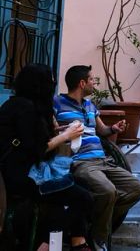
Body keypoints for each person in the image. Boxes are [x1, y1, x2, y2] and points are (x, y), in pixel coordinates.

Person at [0, 64, 94, 251]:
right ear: (40, 85)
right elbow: (39, 149)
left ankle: (70, 242)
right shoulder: (26, 108)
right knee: (83, 197)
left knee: (80, 187)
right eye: (50, 81)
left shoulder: (19, 104)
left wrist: (56, 129)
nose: (53, 85)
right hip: (21, 176)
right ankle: (52, 244)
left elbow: (34, 137)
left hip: (23, 170)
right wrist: (67, 136)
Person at [54, 65, 140, 251]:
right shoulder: (56, 103)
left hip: (104, 161)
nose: (94, 83)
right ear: (82, 83)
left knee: (137, 188)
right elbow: (51, 131)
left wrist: (114, 129)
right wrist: (64, 132)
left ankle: (95, 218)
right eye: (92, 80)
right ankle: (98, 239)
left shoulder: (90, 105)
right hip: (81, 162)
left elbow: (102, 130)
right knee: (107, 191)